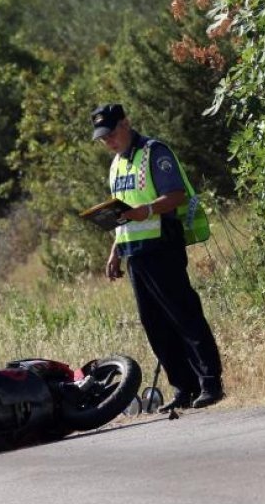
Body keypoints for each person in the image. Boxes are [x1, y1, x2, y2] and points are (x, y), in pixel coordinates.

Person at [91, 103, 224, 411]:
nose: (108, 141)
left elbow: (175, 194)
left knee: (184, 315)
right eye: (102, 138)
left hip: (162, 245)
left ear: (126, 123)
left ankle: (210, 383)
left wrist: (147, 211)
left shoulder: (154, 151)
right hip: (135, 252)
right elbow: (122, 213)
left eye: (111, 134)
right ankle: (183, 387)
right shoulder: (116, 164)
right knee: (155, 324)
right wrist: (115, 252)